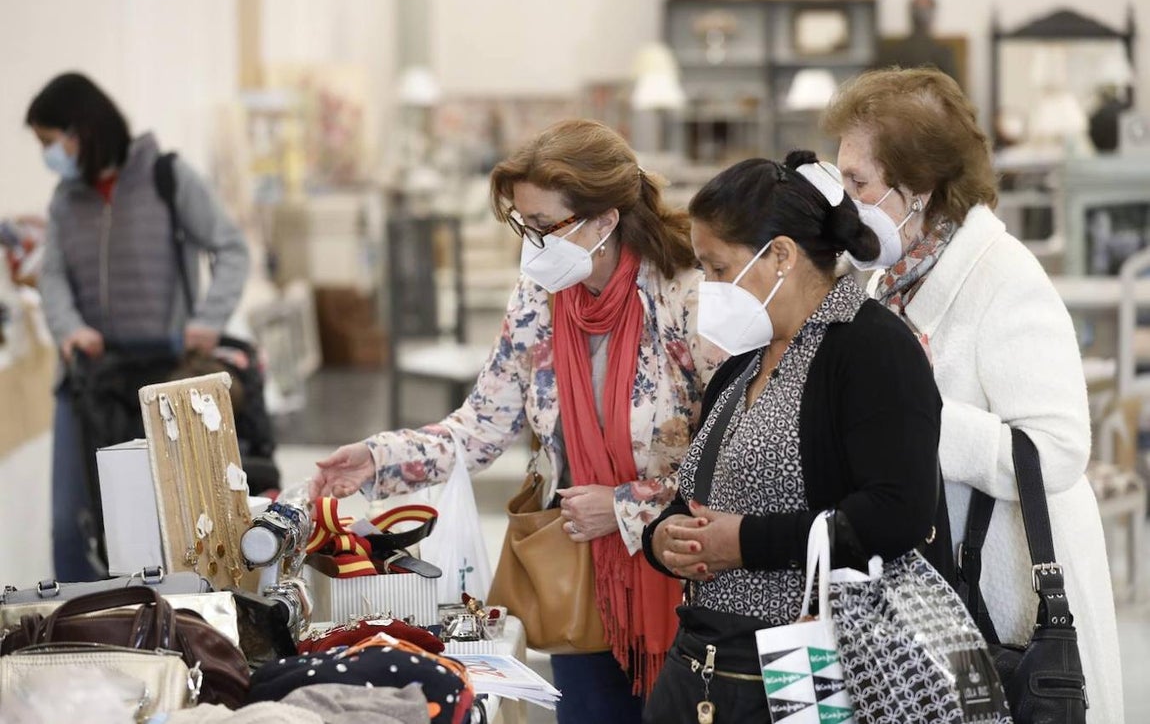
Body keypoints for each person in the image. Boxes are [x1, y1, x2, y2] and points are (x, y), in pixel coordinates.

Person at [312, 118, 724, 723]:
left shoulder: (688, 294)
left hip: (686, 581)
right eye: (522, 226)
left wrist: (627, 505)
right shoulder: (539, 297)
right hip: (579, 582)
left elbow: (734, 450)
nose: (531, 245)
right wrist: (376, 458)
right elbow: (479, 428)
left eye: (543, 227)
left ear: (605, 220)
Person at [822, 66, 1123, 722]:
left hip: (1011, 600)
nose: (843, 204)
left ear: (920, 189)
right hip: (938, 595)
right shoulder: (882, 278)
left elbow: (1059, 448)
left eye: (859, 183)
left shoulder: (1005, 277)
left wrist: (916, 422)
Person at [641, 150, 943, 722]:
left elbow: (897, 512)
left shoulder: (872, 349)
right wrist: (665, 537)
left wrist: (747, 543)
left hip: (808, 663)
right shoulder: (741, 365)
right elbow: (702, 494)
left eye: (718, 268)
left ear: (779, 255)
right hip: (704, 660)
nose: (708, 287)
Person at [28, 72, 250, 581]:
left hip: (164, 378)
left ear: (81, 129)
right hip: (89, 380)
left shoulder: (165, 177)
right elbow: (53, 278)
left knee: (166, 522)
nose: (48, 155)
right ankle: (78, 632)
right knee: (72, 523)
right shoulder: (66, 200)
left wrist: (208, 320)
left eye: (48, 141)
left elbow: (231, 248)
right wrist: (69, 330)